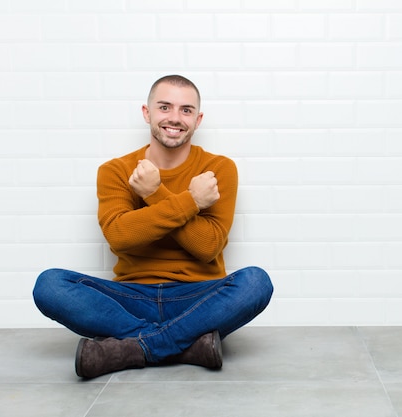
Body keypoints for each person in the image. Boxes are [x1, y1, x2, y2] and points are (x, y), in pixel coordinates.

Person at [33, 75, 273, 379]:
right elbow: (120, 237)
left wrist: (153, 193)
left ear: (198, 120)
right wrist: (190, 201)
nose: (175, 118)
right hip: (130, 299)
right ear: (147, 113)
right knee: (50, 285)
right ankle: (184, 345)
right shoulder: (116, 171)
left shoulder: (218, 169)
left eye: (186, 110)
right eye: (164, 107)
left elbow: (207, 246)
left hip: (198, 299)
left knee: (256, 282)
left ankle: (136, 347)